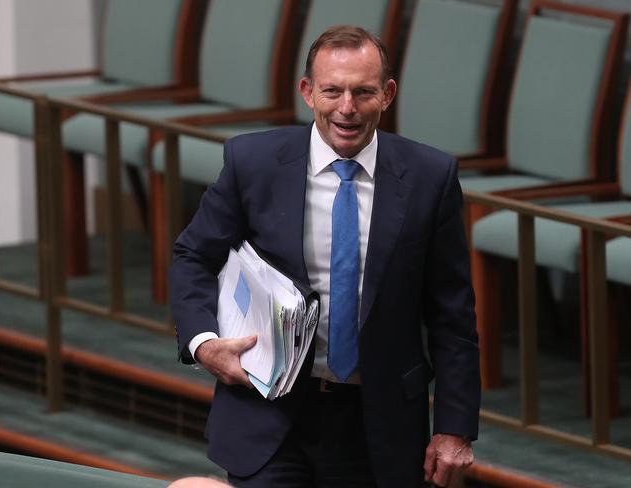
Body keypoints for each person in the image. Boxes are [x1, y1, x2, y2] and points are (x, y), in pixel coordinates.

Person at [170, 25, 480, 487]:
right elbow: (193, 255)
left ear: (388, 94)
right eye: (332, 91)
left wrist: (454, 427)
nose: (347, 108)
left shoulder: (429, 179)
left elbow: (452, 315)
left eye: (363, 92)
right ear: (307, 92)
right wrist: (204, 343)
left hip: (378, 423)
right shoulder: (252, 162)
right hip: (269, 413)